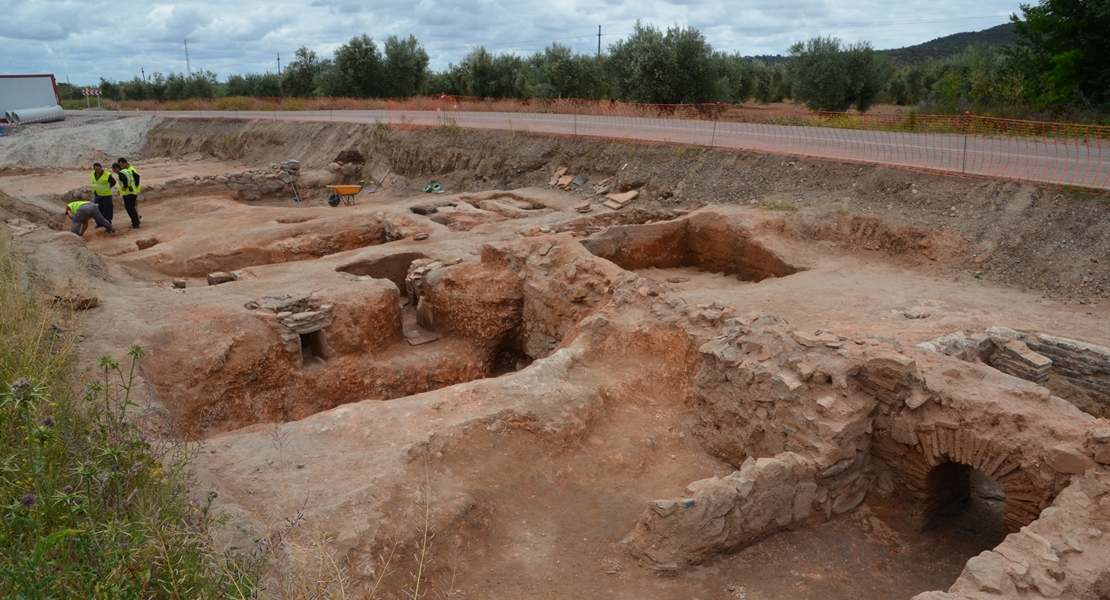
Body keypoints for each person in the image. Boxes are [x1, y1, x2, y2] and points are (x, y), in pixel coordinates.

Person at [90, 163, 116, 227]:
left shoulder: (107, 174)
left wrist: (107, 188)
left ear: (101, 167)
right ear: (94, 169)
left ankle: (107, 223)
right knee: (98, 210)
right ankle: (99, 223)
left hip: (106, 195)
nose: (98, 170)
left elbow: (113, 182)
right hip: (97, 195)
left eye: (99, 169)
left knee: (107, 210)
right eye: (96, 169)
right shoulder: (92, 174)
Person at [118, 157, 141, 228]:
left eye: (122, 165)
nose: (121, 167)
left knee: (131, 206)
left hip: (133, 190)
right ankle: (136, 219)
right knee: (132, 206)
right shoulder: (127, 169)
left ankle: (136, 220)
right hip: (132, 190)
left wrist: (135, 186)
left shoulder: (130, 169)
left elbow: (137, 177)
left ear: (125, 163)